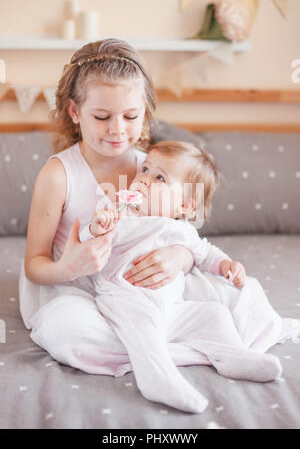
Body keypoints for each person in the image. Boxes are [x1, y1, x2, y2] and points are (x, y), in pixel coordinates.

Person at [19, 39, 195, 368]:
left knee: (219, 296)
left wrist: (179, 258)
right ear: (74, 111)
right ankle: (163, 352)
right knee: (64, 328)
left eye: (131, 116)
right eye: (101, 116)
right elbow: (34, 264)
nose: (117, 130)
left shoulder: (153, 170)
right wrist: (67, 268)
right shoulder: (58, 175)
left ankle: (147, 344)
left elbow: (181, 234)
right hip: (74, 288)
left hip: (136, 291)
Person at [77, 140, 283, 413]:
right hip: (125, 296)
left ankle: (233, 356)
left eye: (159, 177)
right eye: (146, 169)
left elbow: (205, 253)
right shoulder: (121, 212)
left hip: (172, 309)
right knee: (144, 328)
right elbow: (84, 240)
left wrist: (225, 264)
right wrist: (98, 226)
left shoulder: (183, 231)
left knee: (213, 314)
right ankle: (157, 378)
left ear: (184, 206)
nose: (145, 179)